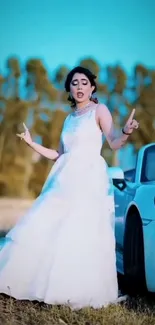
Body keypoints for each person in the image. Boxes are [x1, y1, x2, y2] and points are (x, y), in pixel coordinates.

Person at [0, 66, 139, 309]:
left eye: (84, 82)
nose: (79, 87)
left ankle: (75, 289)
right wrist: (32, 144)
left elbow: (115, 143)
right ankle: (32, 282)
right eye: (74, 83)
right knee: (47, 224)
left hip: (89, 179)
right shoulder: (68, 118)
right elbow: (60, 154)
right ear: (69, 89)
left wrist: (126, 131)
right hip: (63, 179)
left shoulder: (99, 110)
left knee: (81, 229)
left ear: (92, 87)